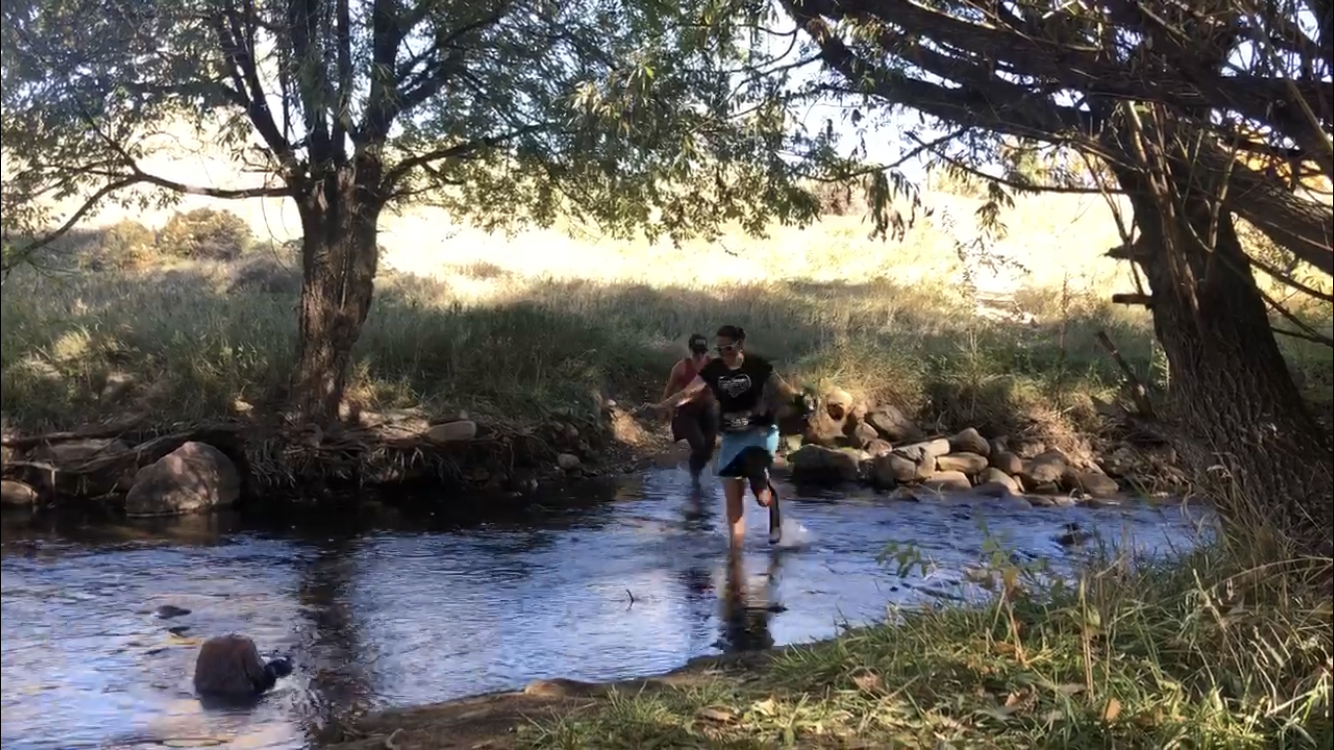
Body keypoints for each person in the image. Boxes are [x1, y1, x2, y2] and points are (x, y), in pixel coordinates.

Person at [648, 325, 811, 548]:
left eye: (729, 348)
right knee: (733, 501)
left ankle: (773, 513)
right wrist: (661, 406)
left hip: (760, 432)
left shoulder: (758, 366)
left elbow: (784, 391)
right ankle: (735, 555)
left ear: (740, 344)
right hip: (732, 437)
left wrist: (801, 401)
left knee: (761, 494)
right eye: (720, 349)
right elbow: (687, 393)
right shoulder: (714, 369)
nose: (725, 353)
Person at [661, 333, 719, 487]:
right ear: (691, 350)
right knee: (699, 445)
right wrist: (664, 410)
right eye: (696, 352)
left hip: (707, 410)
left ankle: (698, 472)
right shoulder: (681, 367)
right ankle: (695, 479)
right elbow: (669, 391)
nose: (699, 355)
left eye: (702, 352)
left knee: (708, 449)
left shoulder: (713, 365)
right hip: (687, 412)